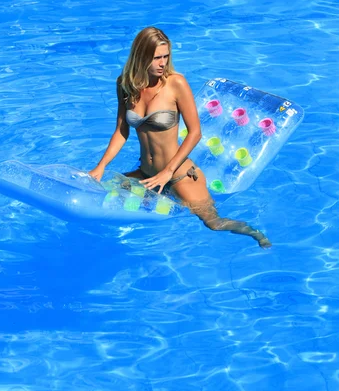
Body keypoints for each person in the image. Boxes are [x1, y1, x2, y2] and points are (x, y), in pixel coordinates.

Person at [89, 27, 271, 248]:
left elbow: (195, 133)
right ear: (141, 56)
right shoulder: (125, 85)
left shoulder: (176, 83)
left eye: (166, 56)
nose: (162, 63)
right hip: (147, 174)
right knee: (103, 189)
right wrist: (100, 166)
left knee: (214, 222)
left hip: (178, 175)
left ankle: (257, 235)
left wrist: (167, 173)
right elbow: (121, 131)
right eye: (156, 58)